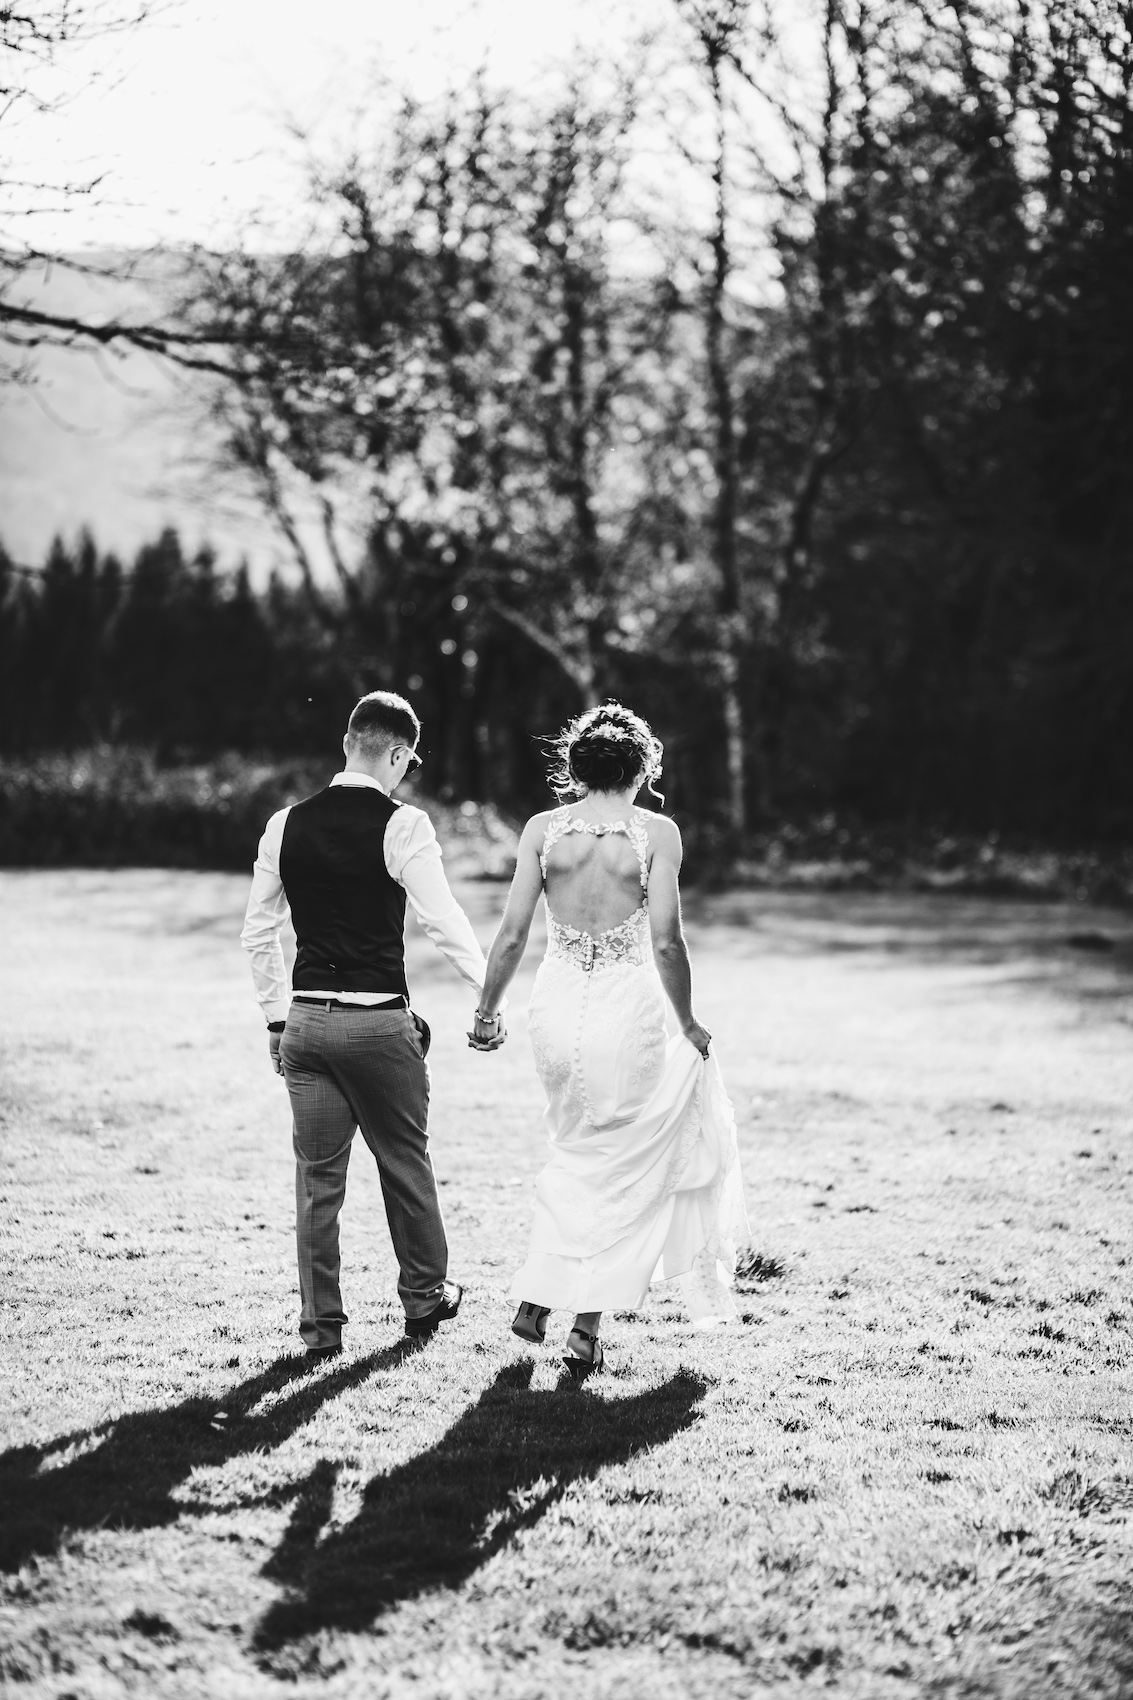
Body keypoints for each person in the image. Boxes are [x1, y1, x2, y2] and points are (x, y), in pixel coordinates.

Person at [470, 701, 748, 1377]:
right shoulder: (656, 833)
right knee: (624, 1159)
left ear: (575, 766)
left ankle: (539, 1295)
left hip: (556, 1005)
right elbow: (666, 940)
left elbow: (510, 934)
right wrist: (686, 1021)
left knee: (571, 1145)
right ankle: (584, 1329)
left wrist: (484, 1011)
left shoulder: (542, 829)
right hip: (628, 1009)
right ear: (643, 767)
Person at [241, 690, 491, 1357]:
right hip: (377, 1027)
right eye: (407, 763)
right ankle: (424, 1300)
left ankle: (322, 1330)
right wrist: (486, 995)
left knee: (317, 1185)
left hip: (304, 1026)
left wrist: (274, 1019)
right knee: (404, 1163)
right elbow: (441, 919)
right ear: (397, 752)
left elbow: (257, 933)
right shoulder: (403, 825)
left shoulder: (283, 823)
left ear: (348, 740)